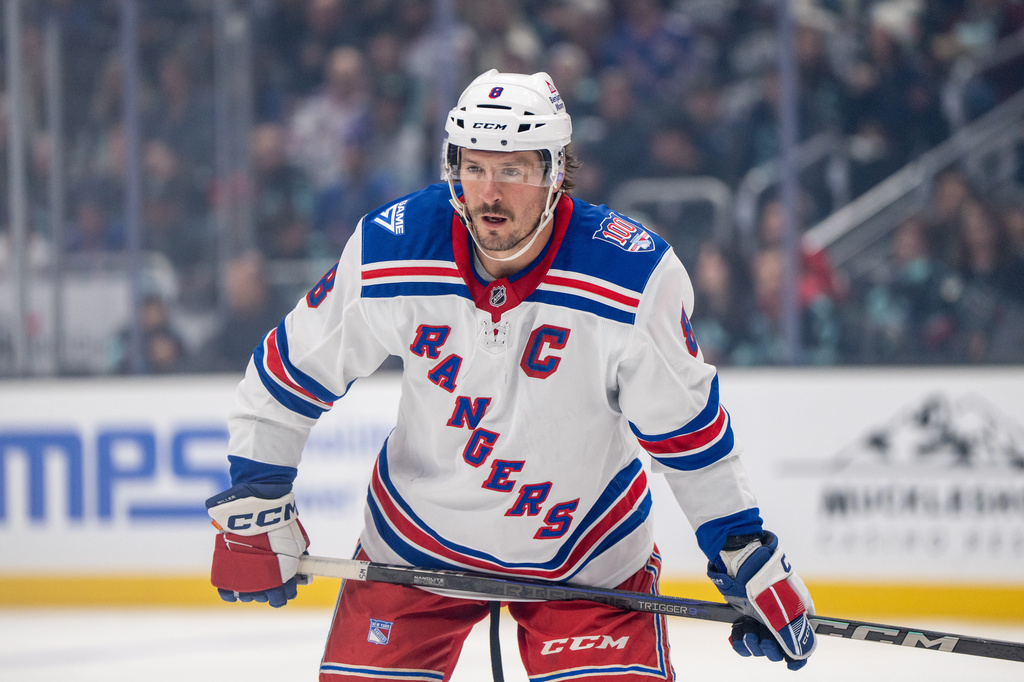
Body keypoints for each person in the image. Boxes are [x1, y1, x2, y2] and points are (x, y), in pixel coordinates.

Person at [204, 70, 816, 681]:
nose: (489, 193)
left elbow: (687, 432)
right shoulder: (393, 249)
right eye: (473, 168)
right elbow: (290, 370)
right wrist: (259, 496)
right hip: (415, 549)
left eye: (513, 170)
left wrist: (739, 548)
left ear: (555, 172)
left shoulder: (631, 277)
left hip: (587, 562)